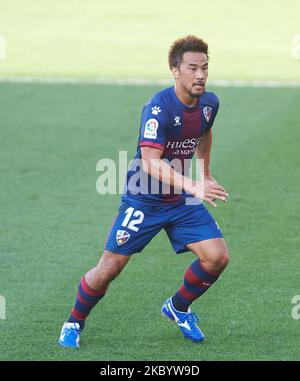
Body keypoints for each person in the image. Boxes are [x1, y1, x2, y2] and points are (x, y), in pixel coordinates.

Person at [58, 35, 229, 348]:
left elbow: (204, 132)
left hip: (180, 199)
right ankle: (74, 322)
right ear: (175, 70)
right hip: (145, 198)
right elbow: (151, 162)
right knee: (109, 268)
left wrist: (204, 173)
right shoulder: (157, 109)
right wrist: (194, 184)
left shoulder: (209, 104)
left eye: (205, 67)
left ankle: (178, 307)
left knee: (217, 257)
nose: (201, 75)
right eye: (193, 68)